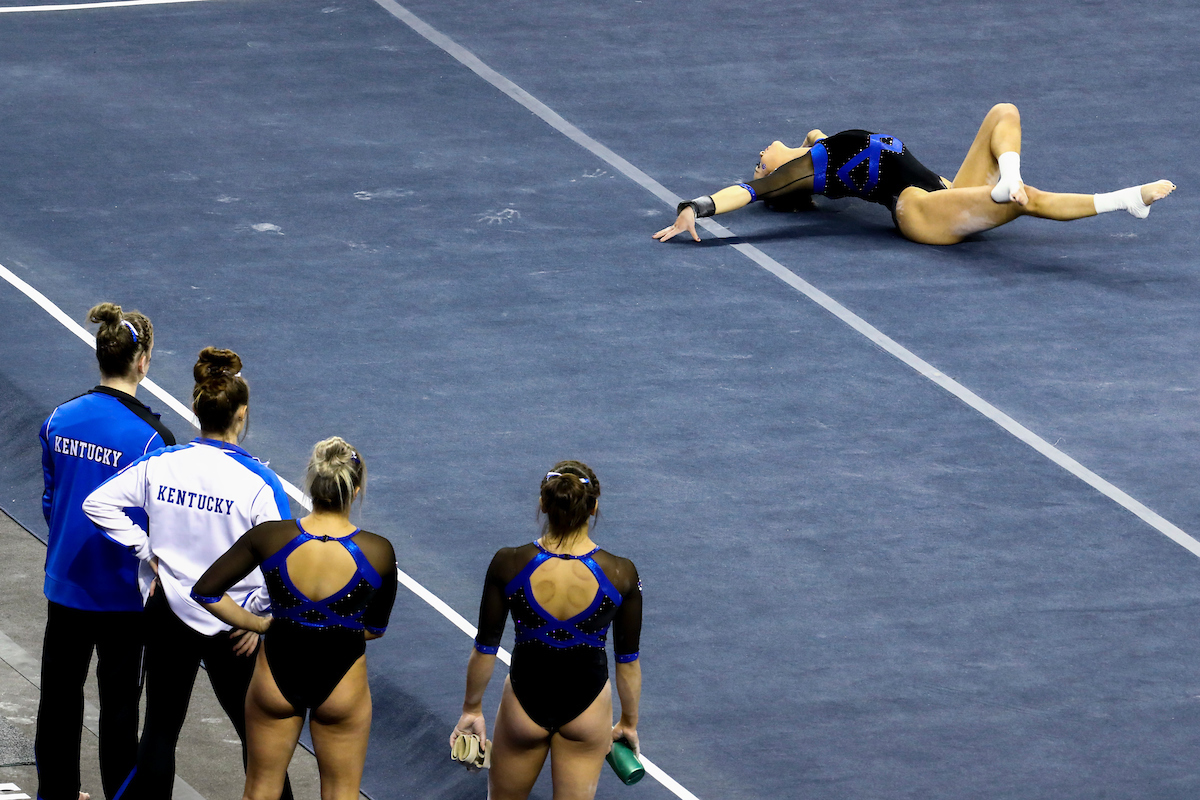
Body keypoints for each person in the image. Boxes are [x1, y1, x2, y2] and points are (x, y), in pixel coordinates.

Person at [83, 347, 294, 800]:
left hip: (169, 612)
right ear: (242, 413)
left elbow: (96, 503)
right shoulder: (260, 483)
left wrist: (148, 553)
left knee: (160, 729)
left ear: (196, 408)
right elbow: (287, 562)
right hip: (234, 623)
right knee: (258, 738)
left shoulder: (164, 463)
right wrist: (257, 616)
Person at [191, 437, 398, 800]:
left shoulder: (270, 537)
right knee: (341, 794)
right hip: (343, 682)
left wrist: (257, 624)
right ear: (357, 488)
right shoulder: (378, 551)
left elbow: (206, 591)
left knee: (260, 789)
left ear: (311, 482)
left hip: (276, 673)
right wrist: (332, 631)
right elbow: (375, 628)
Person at [653, 103, 1176, 246]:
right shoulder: (803, 170)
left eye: (757, 159)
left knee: (1004, 112)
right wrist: (695, 207)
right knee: (1025, 200)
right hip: (918, 210)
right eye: (760, 161)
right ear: (780, 173)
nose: (757, 157)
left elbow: (822, 138)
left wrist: (815, 136)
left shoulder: (821, 147)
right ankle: (1126, 199)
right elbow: (748, 191)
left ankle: (1006, 176)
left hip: (945, 187)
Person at [35, 302, 175, 800]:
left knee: (58, 702)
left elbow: (52, 502)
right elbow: (163, 527)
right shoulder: (154, 439)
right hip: (122, 598)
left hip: (67, 584)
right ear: (143, 361)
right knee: (119, 711)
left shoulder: (58, 419)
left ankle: (55, 793)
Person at [451, 461, 642, 800]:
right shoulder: (620, 573)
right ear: (594, 507)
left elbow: (485, 647)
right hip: (588, 710)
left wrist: (471, 709)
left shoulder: (508, 562)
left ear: (543, 504)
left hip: (523, 705)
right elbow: (627, 661)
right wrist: (628, 722)